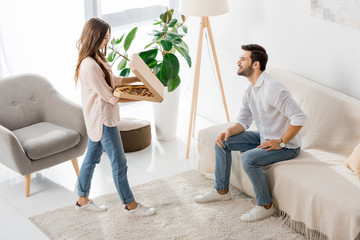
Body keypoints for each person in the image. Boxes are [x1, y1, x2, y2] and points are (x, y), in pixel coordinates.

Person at [194, 44, 307, 222]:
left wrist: (282, 142)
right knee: (223, 142)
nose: (238, 62)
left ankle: (265, 206)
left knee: (249, 159)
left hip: (287, 147)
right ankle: (221, 191)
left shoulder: (273, 87)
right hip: (264, 137)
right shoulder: (250, 91)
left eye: (243, 59)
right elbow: (243, 122)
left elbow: (299, 117)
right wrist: (228, 131)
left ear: (255, 64)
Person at [74, 17, 156, 216]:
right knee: (120, 162)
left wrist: (139, 77)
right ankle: (130, 205)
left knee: (91, 160)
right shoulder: (89, 65)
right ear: (94, 37)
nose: (107, 42)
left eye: (108, 37)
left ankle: (82, 199)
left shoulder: (97, 58)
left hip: (101, 119)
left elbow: (114, 80)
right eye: (104, 38)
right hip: (103, 121)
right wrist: (144, 96)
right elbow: (110, 95)